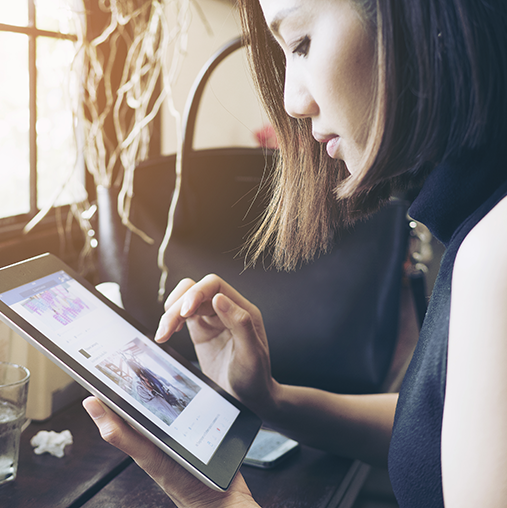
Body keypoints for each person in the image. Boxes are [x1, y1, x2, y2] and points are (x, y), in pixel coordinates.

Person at [82, 0, 507, 506]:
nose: (290, 101)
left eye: (302, 44)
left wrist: (216, 500)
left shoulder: (493, 253)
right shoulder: (480, 224)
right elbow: (437, 426)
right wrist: (272, 400)